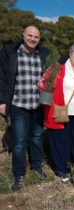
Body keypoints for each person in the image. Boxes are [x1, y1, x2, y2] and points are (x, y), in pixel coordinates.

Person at [0, 25, 50, 191]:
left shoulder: (43, 54)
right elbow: (3, 79)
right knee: (20, 142)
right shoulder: (10, 53)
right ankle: (19, 173)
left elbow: (55, 69)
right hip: (19, 104)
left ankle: (36, 167)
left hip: (37, 105)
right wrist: (2, 101)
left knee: (36, 138)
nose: (33, 39)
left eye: (36, 37)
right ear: (23, 35)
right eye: (30, 35)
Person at [40, 43, 74, 182]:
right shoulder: (58, 68)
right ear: (70, 54)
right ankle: (61, 169)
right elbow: (45, 85)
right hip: (62, 110)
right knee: (60, 140)